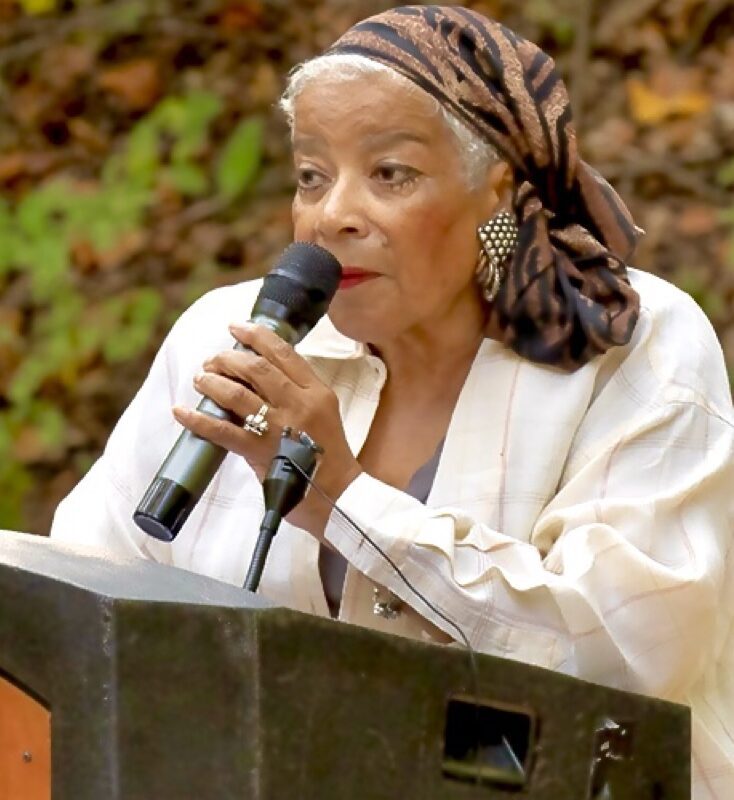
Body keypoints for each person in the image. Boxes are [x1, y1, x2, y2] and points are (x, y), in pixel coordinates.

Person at [50, 6, 733, 797]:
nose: (333, 213)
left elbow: (633, 651)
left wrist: (343, 499)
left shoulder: (628, 345)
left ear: (497, 195)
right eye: (312, 175)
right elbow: (81, 597)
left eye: (390, 174)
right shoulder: (230, 335)